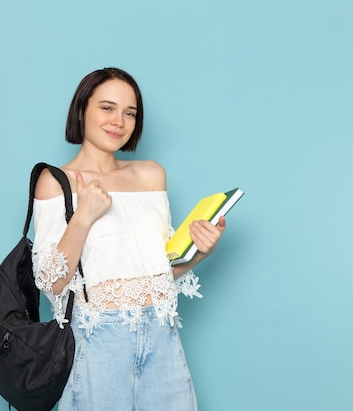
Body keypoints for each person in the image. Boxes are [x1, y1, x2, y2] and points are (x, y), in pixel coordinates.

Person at [31, 67, 226, 411]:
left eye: (130, 112)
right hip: (97, 343)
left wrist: (199, 253)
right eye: (107, 108)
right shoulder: (55, 180)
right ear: (82, 110)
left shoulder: (151, 174)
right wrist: (84, 215)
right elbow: (52, 282)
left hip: (162, 337)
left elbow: (159, 270)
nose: (119, 120)